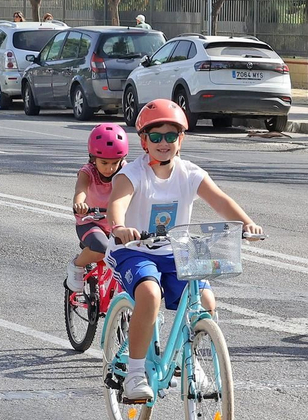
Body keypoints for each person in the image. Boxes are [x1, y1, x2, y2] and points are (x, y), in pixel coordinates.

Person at [106, 100, 263, 403]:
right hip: (133, 250)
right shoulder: (133, 175)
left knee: (205, 300)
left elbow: (221, 201)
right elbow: (117, 204)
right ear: (143, 141)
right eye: (156, 136)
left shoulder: (190, 173)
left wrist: (247, 224)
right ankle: (136, 372)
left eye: (171, 136)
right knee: (150, 294)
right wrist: (119, 227)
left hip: (175, 252)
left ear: (181, 140)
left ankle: (193, 365)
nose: (163, 143)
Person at [67, 123, 128, 291]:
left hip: (116, 223)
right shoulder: (87, 172)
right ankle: (77, 265)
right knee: (102, 248)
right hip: (90, 221)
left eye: (115, 162)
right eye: (104, 162)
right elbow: (81, 189)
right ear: (93, 158)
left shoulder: (125, 171)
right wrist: (80, 203)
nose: (109, 168)